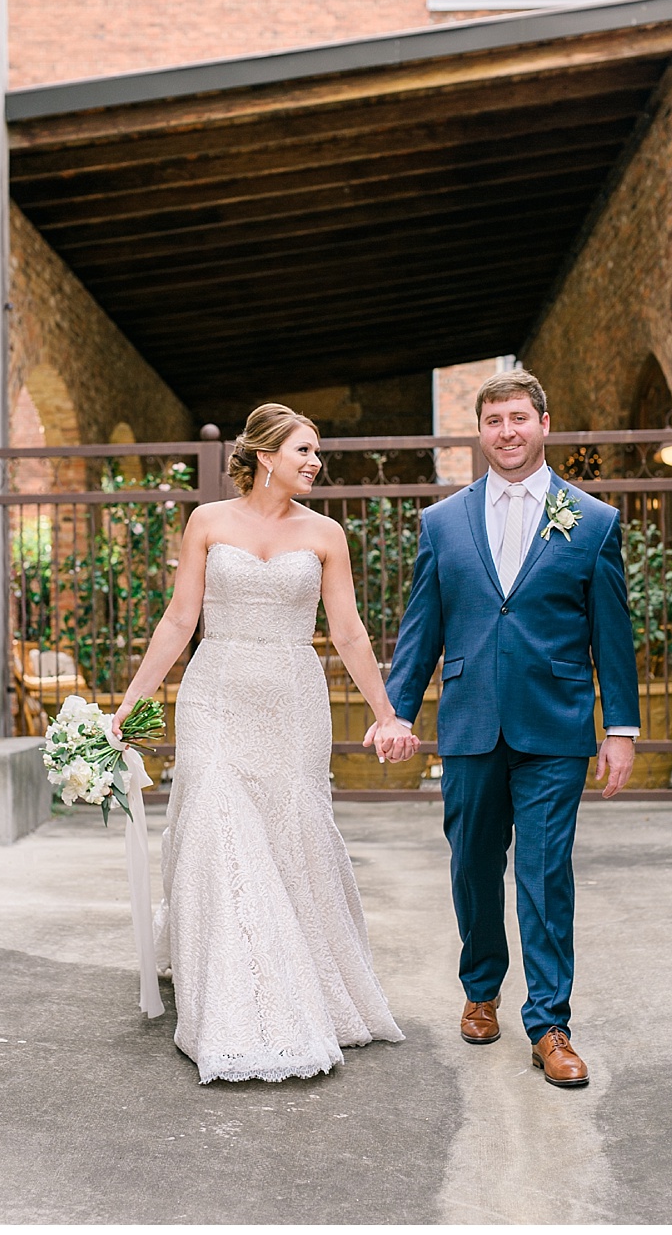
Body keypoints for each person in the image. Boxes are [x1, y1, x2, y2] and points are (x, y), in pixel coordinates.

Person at [111, 403, 410, 1083]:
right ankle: (229, 996)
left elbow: (349, 631)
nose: (315, 462)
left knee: (289, 833)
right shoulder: (208, 522)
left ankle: (296, 981)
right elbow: (181, 617)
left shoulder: (328, 533)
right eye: (304, 450)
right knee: (220, 825)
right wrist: (130, 702)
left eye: (317, 452)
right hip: (216, 694)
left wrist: (386, 713)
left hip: (291, 700)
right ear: (266, 456)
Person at [375, 368, 637, 1088]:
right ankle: (481, 988)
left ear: (544, 424)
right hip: (469, 723)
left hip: (554, 726)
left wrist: (622, 728)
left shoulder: (592, 521)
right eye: (495, 421)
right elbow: (421, 629)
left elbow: (612, 635)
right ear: (481, 432)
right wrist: (396, 709)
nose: (508, 432)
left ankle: (550, 1024)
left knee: (545, 874)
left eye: (520, 418)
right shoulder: (442, 522)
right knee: (471, 867)